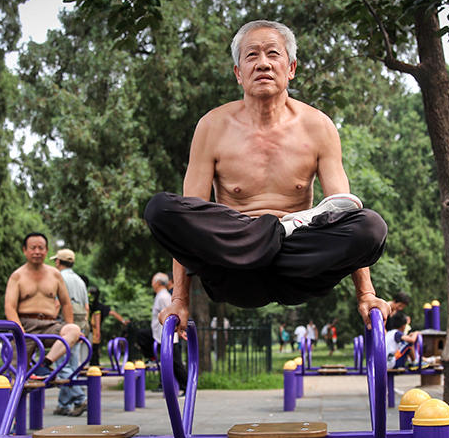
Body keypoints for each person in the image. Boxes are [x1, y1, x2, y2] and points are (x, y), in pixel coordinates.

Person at [144, 20, 390, 335]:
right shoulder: (212, 126)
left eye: (273, 54)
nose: (263, 63)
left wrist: (366, 294)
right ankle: (277, 229)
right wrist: (180, 299)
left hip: (299, 268)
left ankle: (284, 230)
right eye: (252, 56)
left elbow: (344, 212)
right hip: (233, 269)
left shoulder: (319, 127)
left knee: (370, 226)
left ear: (291, 68)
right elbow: (190, 220)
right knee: (161, 210)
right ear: (238, 73)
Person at [3, 233, 82, 377]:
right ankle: (13, 393)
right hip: (25, 325)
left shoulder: (55, 274)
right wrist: (19, 329)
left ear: (46, 251)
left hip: (49, 325)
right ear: (25, 250)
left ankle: (45, 363)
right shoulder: (17, 276)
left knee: (74, 330)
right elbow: (9, 306)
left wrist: (68, 324)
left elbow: (65, 303)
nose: (37, 252)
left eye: (41, 248)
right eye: (33, 248)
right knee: (15, 377)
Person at [52, 248, 89, 417]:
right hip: (80, 325)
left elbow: (58, 303)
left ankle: (80, 398)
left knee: (61, 364)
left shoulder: (58, 277)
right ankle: (64, 404)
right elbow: (86, 307)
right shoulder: (80, 280)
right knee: (72, 364)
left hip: (64, 325)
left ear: (58, 262)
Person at [145, 272, 187, 388]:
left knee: (175, 363)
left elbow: (171, 315)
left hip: (168, 336)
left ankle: (186, 387)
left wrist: (177, 331)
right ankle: (181, 386)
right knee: (172, 363)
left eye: (153, 281)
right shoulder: (160, 296)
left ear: (158, 283)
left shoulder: (163, 297)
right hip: (161, 335)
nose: (152, 284)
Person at [87, 286, 128, 367]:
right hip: (92, 331)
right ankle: (93, 365)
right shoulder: (93, 305)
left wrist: (123, 321)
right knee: (93, 350)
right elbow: (112, 313)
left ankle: (94, 366)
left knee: (93, 350)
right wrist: (123, 321)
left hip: (93, 331)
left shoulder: (94, 306)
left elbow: (100, 318)